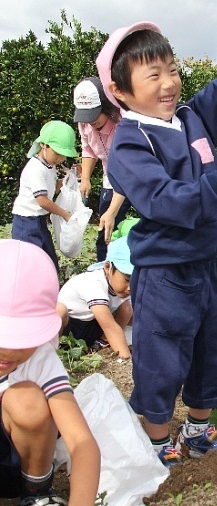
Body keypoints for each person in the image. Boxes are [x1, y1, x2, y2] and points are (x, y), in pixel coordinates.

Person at [95, 14, 217, 467]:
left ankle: (198, 430)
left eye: (171, 69)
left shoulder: (192, 118)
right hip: (165, 273)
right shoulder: (129, 144)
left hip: (207, 265)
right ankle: (156, 442)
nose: (168, 82)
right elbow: (160, 199)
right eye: (152, 75)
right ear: (120, 91)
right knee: (161, 358)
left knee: (212, 350)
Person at [0, 239, 99, 506]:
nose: (7, 348)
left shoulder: (41, 359)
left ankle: (36, 493)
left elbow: (83, 444)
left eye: (20, 336)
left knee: (27, 400)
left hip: (15, 461)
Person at [73, 76, 132, 261]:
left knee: (147, 224)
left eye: (94, 115)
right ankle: (104, 272)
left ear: (108, 106)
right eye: (86, 116)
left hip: (138, 178)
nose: (90, 122)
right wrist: (86, 178)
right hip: (111, 177)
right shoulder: (85, 123)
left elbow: (126, 171)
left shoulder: (124, 123)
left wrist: (112, 211)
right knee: (105, 230)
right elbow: (88, 148)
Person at [12, 120, 77, 273]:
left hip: (39, 221)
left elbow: (50, 188)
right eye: (57, 153)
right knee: (30, 265)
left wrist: (67, 181)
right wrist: (66, 214)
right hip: (26, 222)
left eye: (64, 155)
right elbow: (43, 201)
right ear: (43, 145)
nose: (60, 159)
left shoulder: (49, 166)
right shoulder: (35, 168)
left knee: (49, 263)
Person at [57, 236, 133, 358]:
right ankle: (50, 350)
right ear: (108, 268)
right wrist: (126, 358)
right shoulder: (94, 283)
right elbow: (109, 327)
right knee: (59, 310)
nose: (130, 287)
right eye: (127, 280)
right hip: (70, 327)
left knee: (127, 308)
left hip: (92, 325)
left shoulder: (120, 287)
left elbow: (134, 319)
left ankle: (101, 343)